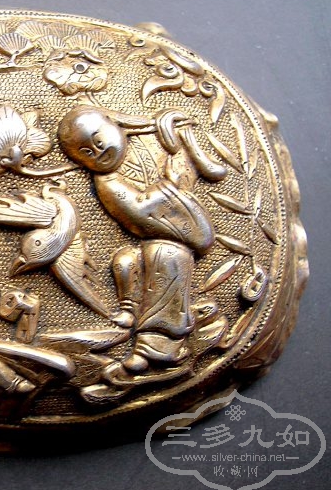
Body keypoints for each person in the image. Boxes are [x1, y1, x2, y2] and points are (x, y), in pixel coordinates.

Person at [58, 105, 226, 377]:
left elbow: (213, 171)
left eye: (99, 139)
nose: (97, 152)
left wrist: (184, 138)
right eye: (86, 153)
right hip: (167, 232)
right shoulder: (106, 181)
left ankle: (159, 345)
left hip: (176, 239)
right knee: (129, 261)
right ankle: (147, 330)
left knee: (166, 254)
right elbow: (139, 211)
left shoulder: (149, 142)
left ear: (117, 126)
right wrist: (171, 185)